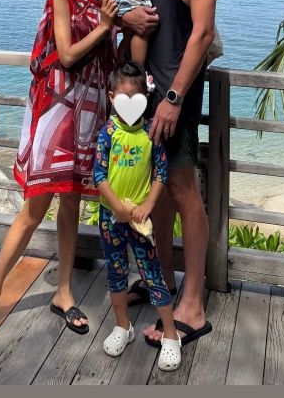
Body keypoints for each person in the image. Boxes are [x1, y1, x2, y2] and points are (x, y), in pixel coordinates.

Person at [0, 0, 118, 342]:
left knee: (72, 205)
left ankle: (63, 292)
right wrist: (104, 26)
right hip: (57, 113)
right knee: (34, 210)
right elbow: (65, 54)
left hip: (89, 113)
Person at [122, 0, 217, 349]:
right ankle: (161, 279)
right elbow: (120, 3)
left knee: (182, 189)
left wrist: (175, 98)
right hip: (144, 94)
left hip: (176, 96)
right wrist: (126, 16)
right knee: (156, 191)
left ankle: (193, 304)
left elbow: (202, 32)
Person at [93, 61, 182, 372]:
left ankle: (170, 334)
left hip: (141, 221)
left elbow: (160, 173)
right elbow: (99, 174)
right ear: (111, 97)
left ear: (146, 98)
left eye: (137, 98)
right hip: (111, 218)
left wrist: (148, 205)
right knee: (115, 272)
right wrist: (116, 206)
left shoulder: (150, 133)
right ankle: (122, 325)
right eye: (123, 98)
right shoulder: (108, 133)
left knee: (152, 273)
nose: (130, 104)